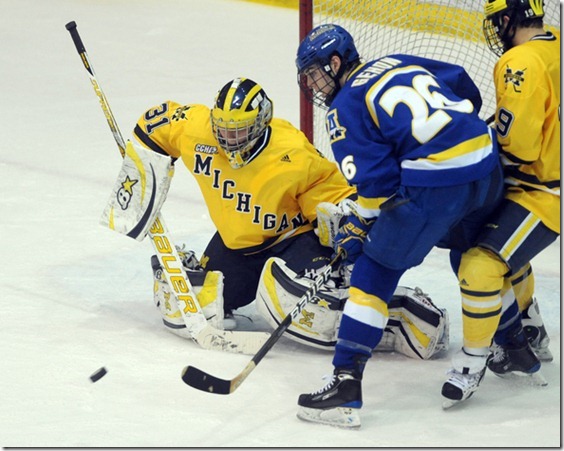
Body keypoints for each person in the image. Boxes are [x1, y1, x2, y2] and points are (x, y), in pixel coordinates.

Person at [133, 77, 449, 360]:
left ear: (259, 125)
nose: (228, 140)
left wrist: (340, 219)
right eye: (223, 130)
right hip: (238, 247)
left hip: (292, 241)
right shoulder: (198, 129)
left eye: (238, 131)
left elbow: (333, 192)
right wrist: (139, 172)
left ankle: (400, 316)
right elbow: (155, 123)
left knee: (314, 310)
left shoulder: (291, 150)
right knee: (197, 301)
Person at [294, 24, 506, 427]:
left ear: (336, 63)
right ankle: (516, 340)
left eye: (316, 73)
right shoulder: (394, 62)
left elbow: (378, 186)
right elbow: (464, 87)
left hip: (439, 185)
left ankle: (344, 385)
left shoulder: (343, 108)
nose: (314, 85)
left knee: (375, 271)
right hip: (487, 166)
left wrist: (360, 222)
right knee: (472, 244)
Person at [476, 0, 560, 377]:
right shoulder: (555, 42)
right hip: (549, 180)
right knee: (503, 245)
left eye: (498, 22)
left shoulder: (520, 62)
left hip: (543, 193)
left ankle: (480, 358)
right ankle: (529, 323)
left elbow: (520, 148)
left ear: (509, 19)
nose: (496, 30)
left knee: (478, 262)